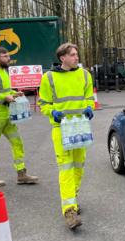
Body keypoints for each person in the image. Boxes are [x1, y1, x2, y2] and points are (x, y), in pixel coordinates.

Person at [38, 43, 94, 230]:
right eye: (72, 55)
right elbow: (44, 103)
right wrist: (52, 112)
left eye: (77, 54)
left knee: (78, 166)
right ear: (62, 58)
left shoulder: (85, 75)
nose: (76, 57)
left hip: (80, 127)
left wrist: (89, 107)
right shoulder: (49, 78)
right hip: (61, 129)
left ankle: (73, 197)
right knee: (66, 168)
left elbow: (89, 98)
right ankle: (69, 210)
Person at [0, 47, 38, 188]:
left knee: (17, 142)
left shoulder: (3, 72)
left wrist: (13, 93)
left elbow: (3, 91)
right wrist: (4, 97)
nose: (8, 58)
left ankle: (21, 174)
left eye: (8, 55)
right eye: (5, 56)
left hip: (6, 116)